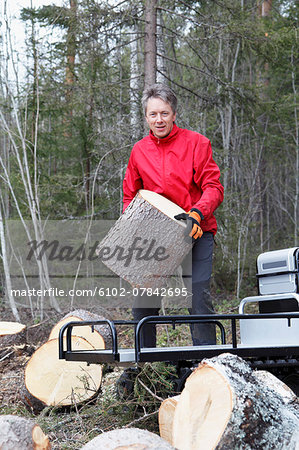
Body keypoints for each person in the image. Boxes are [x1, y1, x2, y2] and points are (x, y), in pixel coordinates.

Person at [122, 83, 224, 347]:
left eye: (164, 113)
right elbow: (129, 197)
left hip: (195, 231)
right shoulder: (139, 151)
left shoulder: (197, 144)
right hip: (156, 237)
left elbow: (213, 187)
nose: (159, 120)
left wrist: (198, 213)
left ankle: (208, 363)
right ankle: (146, 366)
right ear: (146, 116)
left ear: (174, 114)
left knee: (196, 295)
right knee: (144, 301)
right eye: (153, 114)